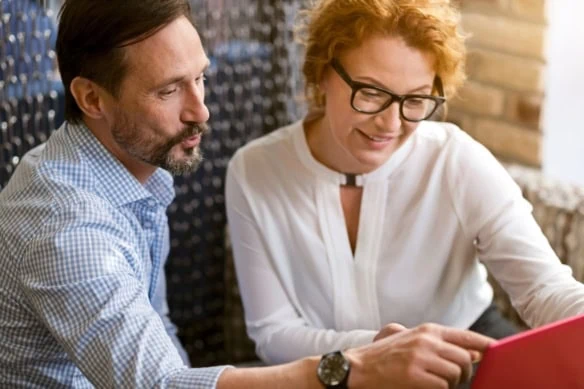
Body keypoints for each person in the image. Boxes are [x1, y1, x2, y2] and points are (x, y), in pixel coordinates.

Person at [0, 0, 494, 388]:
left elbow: (161, 341)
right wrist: (351, 369)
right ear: (92, 99)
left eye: (200, 78)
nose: (202, 111)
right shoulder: (67, 225)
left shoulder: (133, 175)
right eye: (169, 91)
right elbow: (160, 383)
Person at [226, 0, 584, 374]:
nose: (390, 123)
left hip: (465, 353)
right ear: (321, 73)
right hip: (332, 369)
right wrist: (378, 356)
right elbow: (273, 333)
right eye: (370, 93)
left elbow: (545, 289)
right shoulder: (255, 172)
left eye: (414, 99)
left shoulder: (455, 159)